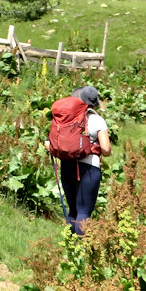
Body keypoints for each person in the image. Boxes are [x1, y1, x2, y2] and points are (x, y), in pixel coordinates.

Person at [59, 86, 111, 235]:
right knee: (84, 212)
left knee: (73, 211)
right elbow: (106, 149)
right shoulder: (97, 120)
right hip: (88, 170)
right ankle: (81, 252)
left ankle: (68, 248)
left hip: (67, 165)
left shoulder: (67, 117)